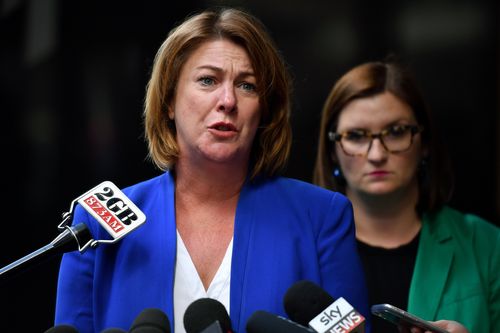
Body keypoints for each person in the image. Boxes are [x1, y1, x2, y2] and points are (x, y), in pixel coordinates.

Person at [53, 7, 370, 333]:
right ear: (169, 102)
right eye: (208, 80)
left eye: (248, 86)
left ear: (264, 112)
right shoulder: (98, 222)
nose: (228, 100)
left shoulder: (322, 218)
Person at [313, 59, 499, 333]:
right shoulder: (305, 250)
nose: (376, 155)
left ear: (423, 143)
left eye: (396, 132)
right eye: (355, 136)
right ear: (333, 152)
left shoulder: (485, 244)